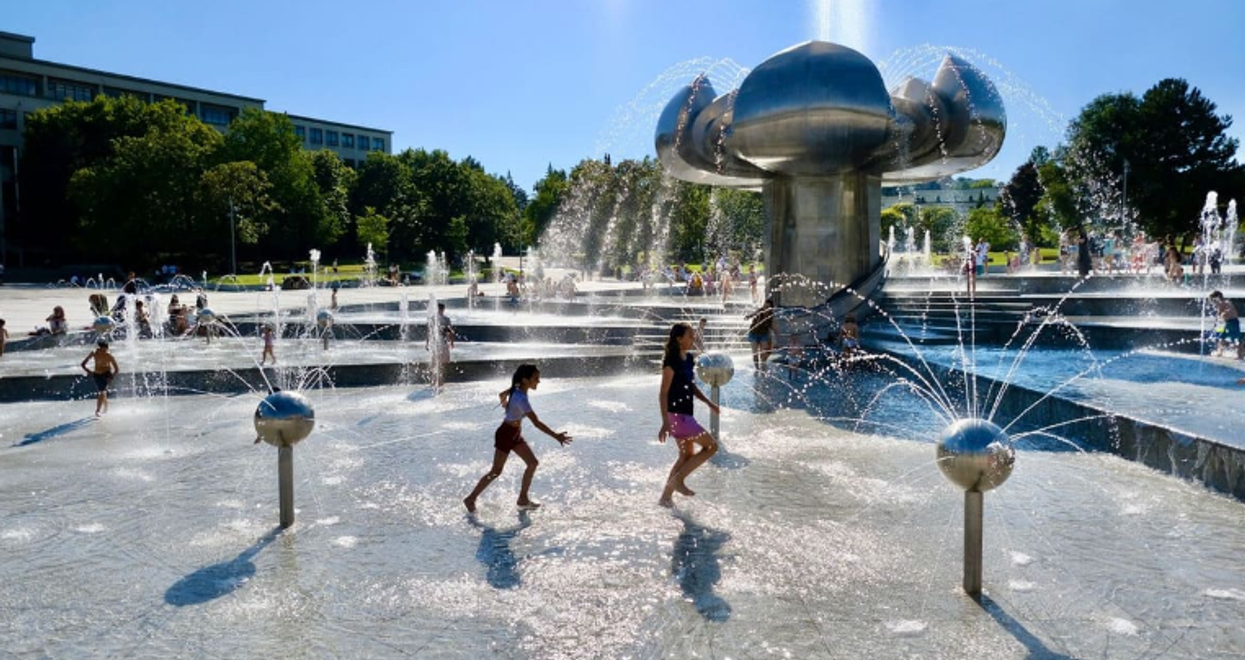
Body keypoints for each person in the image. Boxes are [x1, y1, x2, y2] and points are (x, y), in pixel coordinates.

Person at [463, 364, 572, 513]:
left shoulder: (518, 390)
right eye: (535, 378)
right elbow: (536, 423)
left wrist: (506, 406)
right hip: (506, 434)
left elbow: (501, 395)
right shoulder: (521, 398)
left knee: (532, 463)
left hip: (514, 433)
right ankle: (471, 498)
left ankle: (522, 499)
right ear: (525, 380)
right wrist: (556, 436)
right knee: (496, 471)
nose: (538, 381)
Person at [657, 323, 720, 507]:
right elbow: (663, 392)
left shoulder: (688, 359)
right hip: (677, 416)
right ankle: (678, 481)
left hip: (685, 414)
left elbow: (691, 386)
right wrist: (665, 422)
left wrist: (708, 403)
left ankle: (666, 497)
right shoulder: (671, 362)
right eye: (690, 336)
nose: (693, 339)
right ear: (679, 338)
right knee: (712, 447)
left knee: (686, 455)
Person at [81, 339, 120, 416]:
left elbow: (116, 369)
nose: (103, 352)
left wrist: (111, 377)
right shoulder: (94, 353)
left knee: (102, 391)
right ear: (99, 348)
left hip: (106, 374)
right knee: (103, 392)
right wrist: (88, 371)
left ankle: (97, 410)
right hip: (97, 374)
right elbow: (83, 364)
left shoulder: (109, 356)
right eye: (102, 350)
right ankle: (105, 408)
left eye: (105, 350)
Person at [1209, 291, 1243, 360]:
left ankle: (1240, 355)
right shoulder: (1222, 303)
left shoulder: (1225, 302)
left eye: (1213, 300)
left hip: (1233, 322)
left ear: (1217, 298)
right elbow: (1218, 314)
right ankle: (1220, 352)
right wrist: (1215, 324)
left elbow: (1229, 309)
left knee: (1236, 339)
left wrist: (1225, 313)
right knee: (1222, 338)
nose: (1213, 303)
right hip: (1229, 323)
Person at [745, 298, 776, 372]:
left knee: (763, 354)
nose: (765, 308)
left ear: (771, 308)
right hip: (754, 334)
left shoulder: (771, 316)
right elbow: (754, 314)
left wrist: (777, 335)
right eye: (765, 306)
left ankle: (762, 368)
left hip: (764, 335)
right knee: (755, 353)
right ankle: (757, 369)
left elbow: (774, 326)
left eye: (768, 307)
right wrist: (749, 316)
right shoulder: (760, 311)